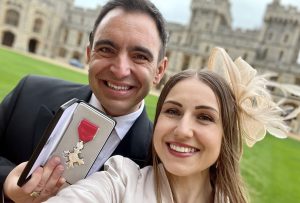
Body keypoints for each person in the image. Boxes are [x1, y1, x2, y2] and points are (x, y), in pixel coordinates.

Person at [42, 47, 288, 203]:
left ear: (226, 134)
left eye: (205, 117)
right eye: (172, 111)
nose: (182, 130)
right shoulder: (119, 182)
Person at [0, 0, 168, 202]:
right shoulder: (29, 94)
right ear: (89, 53)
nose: (120, 70)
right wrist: (6, 183)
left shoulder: (160, 159)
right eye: (107, 50)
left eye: (140, 56)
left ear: (159, 71)